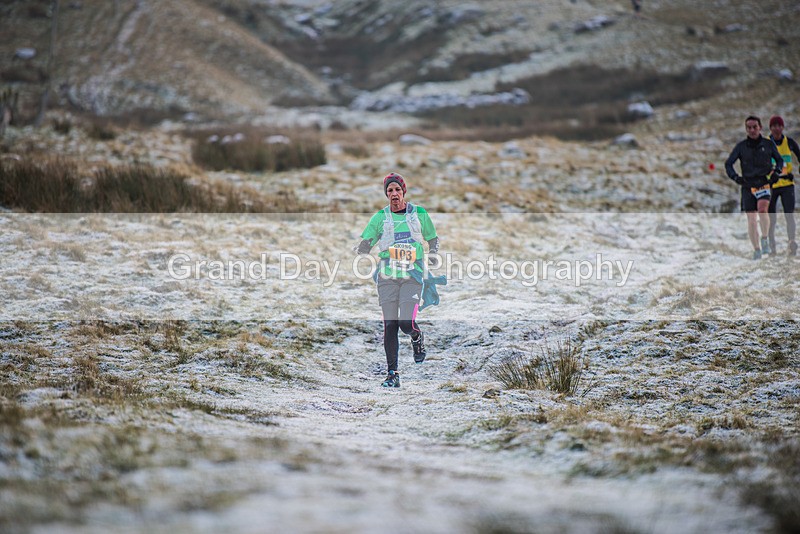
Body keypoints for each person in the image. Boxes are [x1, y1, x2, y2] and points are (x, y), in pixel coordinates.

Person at [356, 173, 439, 387]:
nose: (394, 193)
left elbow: (432, 238)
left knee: (406, 323)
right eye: (389, 190)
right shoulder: (380, 218)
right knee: (390, 324)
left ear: (403, 192)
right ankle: (393, 374)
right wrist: (363, 247)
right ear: (387, 194)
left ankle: (416, 336)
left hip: (412, 274)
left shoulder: (418, 214)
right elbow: (368, 239)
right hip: (387, 276)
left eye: (397, 190)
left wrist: (433, 252)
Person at [725, 115, 783, 259]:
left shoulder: (768, 144)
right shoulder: (741, 147)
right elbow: (728, 163)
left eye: (754, 127)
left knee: (763, 210)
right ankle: (756, 249)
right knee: (751, 220)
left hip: (763, 182)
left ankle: (764, 238)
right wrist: (736, 177)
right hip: (747, 185)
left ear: (760, 128)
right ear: (746, 129)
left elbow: (780, 160)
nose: (752, 130)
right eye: (749, 128)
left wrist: (777, 172)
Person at [767, 115, 800, 256]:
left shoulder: (790, 143)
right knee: (771, 217)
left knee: (789, 214)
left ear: (782, 127)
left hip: (787, 184)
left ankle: (791, 242)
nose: (776, 128)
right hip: (771, 185)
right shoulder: (765, 143)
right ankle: (771, 245)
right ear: (770, 128)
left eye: (779, 125)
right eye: (774, 126)